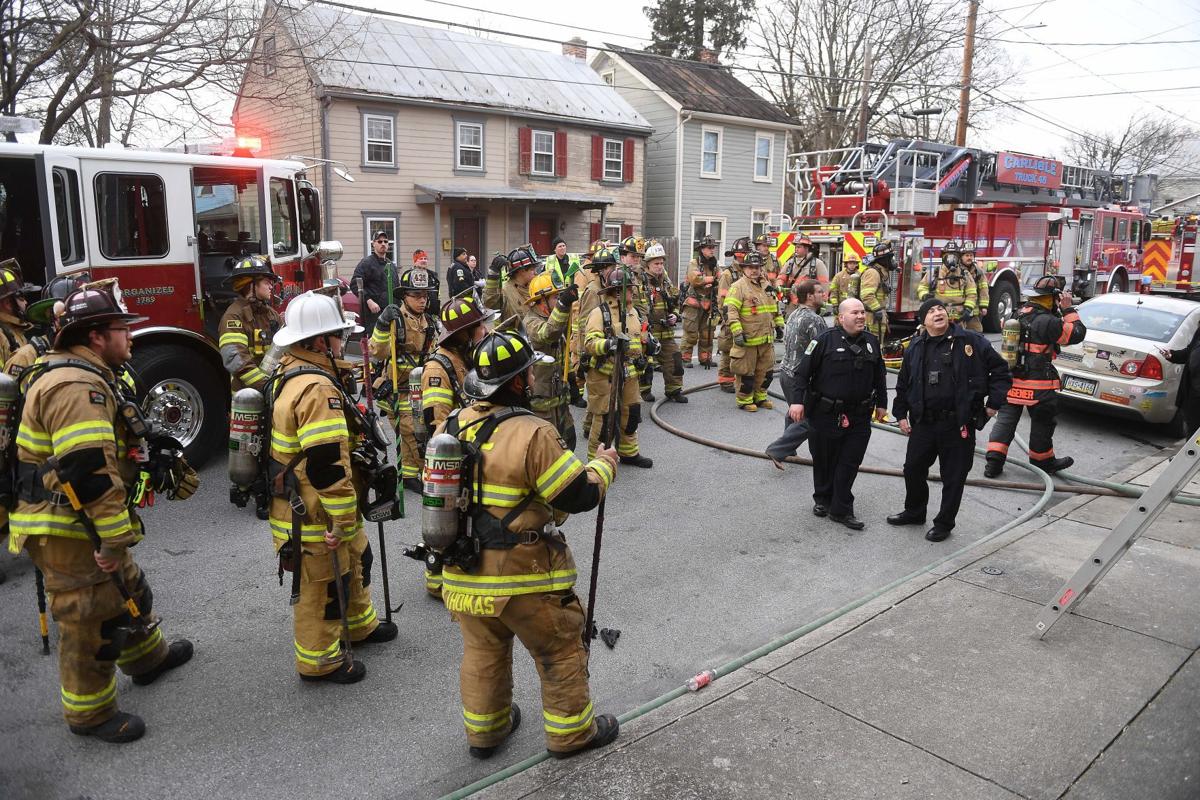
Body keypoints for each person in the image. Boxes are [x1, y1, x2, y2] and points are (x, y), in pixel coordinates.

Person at [10, 279, 197, 743]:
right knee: (88, 612)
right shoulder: (76, 386)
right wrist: (113, 540)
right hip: (65, 523)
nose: (130, 337)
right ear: (95, 335)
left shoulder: (88, 374)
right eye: (122, 328)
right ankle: (89, 713)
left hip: (79, 518)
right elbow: (89, 472)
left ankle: (146, 660)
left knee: (125, 586)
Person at [436, 328, 621, 760]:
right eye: (529, 372)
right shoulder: (533, 433)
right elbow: (577, 495)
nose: (534, 378)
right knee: (559, 650)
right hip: (522, 576)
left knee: (483, 652)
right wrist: (604, 466)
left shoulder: (453, 423)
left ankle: (486, 733)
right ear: (518, 382)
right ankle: (572, 734)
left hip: (463, 573)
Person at [266, 291, 398, 685]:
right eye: (339, 335)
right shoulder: (316, 389)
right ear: (320, 341)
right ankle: (319, 661)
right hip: (313, 508)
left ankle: (359, 624)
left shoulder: (297, 372)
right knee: (322, 582)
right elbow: (325, 465)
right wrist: (340, 518)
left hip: (321, 502)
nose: (346, 341)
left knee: (355, 558)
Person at [889, 298, 1011, 541]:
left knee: (953, 476)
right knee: (912, 469)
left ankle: (944, 523)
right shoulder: (916, 346)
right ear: (923, 321)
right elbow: (903, 384)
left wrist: (992, 406)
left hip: (957, 423)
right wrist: (900, 414)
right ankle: (914, 511)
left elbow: (1001, 372)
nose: (937, 313)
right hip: (924, 422)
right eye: (931, 311)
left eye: (940, 309)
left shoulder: (971, 341)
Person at [420, 294, 497, 596]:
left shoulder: (464, 359)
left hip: (470, 454)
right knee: (446, 519)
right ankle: (436, 582)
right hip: (450, 459)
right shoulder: (439, 369)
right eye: (479, 327)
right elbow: (437, 428)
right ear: (463, 333)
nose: (485, 331)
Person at [791, 298, 888, 530]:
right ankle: (823, 498)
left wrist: (882, 405)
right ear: (841, 317)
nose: (861, 316)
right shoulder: (823, 341)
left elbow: (880, 377)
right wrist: (796, 402)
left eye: (863, 312)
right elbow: (801, 374)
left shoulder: (872, 342)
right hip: (825, 414)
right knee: (824, 460)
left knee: (849, 462)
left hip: (860, 416)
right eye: (855, 312)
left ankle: (841, 508)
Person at [985, 276, 1085, 477]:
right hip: (1039, 386)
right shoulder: (1048, 322)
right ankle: (1042, 461)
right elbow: (1077, 333)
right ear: (1052, 298)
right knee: (1043, 421)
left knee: (1005, 421)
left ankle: (993, 463)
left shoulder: (1017, 314)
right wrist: (1068, 310)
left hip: (1012, 381)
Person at [369, 269, 438, 493]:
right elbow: (377, 352)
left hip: (421, 388)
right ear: (404, 297)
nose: (421, 300)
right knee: (415, 434)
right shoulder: (395, 320)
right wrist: (381, 325)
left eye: (425, 296)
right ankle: (427, 473)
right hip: (397, 391)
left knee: (412, 435)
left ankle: (408, 475)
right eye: (415, 296)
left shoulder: (428, 321)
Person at [584, 266, 651, 467]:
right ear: (617, 291)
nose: (631, 292)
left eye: (631, 288)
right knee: (604, 419)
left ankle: (629, 453)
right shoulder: (600, 314)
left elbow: (641, 339)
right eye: (628, 289)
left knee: (631, 414)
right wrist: (610, 344)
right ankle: (598, 460)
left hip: (630, 375)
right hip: (606, 376)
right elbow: (589, 344)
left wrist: (649, 345)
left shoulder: (634, 314)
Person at [766, 279, 829, 467]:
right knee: (813, 418)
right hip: (800, 377)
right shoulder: (814, 319)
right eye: (820, 292)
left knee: (794, 411)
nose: (824, 294)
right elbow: (823, 350)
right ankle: (777, 450)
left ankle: (789, 452)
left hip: (787, 373)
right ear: (810, 296)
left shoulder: (794, 314)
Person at [521, 270, 578, 448]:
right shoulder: (530, 322)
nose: (558, 301)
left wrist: (572, 379)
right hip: (542, 403)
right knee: (548, 447)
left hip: (559, 398)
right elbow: (548, 333)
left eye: (559, 297)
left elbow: (562, 352)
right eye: (555, 298)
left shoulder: (554, 319)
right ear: (541, 301)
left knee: (569, 440)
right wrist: (563, 305)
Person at [724, 251, 784, 412]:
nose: (754, 270)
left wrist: (779, 325)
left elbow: (775, 308)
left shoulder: (767, 286)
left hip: (766, 339)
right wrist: (737, 332)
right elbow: (731, 311)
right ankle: (744, 400)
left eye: (757, 267)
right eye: (750, 267)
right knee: (746, 373)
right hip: (748, 339)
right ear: (744, 268)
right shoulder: (738, 287)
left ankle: (760, 397)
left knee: (766, 372)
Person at [218, 255, 282, 392]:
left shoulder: (271, 315)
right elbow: (235, 359)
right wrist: (266, 386)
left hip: (273, 391)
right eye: (266, 282)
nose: (271, 286)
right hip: (248, 398)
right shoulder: (233, 317)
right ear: (251, 285)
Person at [640, 241, 686, 403]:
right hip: (649, 330)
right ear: (647, 264)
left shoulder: (665, 281)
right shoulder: (641, 281)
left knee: (674, 359)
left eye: (661, 263)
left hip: (666, 330)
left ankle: (674, 390)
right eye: (656, 263)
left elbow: (675, 300)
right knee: (645, 363)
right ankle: (644, 391)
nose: (660, 266)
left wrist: (674, 315)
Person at [715, 238, 750, 392]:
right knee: (728, 351)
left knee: (744, 352)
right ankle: (726, 381)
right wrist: (730, 322)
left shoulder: (749, 272)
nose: (743, 257)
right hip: (732, 320)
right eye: (742, 254)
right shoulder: (728, 275)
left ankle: (741, 379)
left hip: (747, 319)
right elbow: (723, 303)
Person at [917, 240, 978, 329]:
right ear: (943, 257)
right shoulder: (934, 272)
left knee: (958, 340)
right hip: (938, 315)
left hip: (958, 318)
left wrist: (968, 309)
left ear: (958, 257)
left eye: (954, 255)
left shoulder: (965, 274)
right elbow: (922, 287)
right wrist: (925, 296)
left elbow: (972, 293)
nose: (951, 258)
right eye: (948, 255)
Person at [681, 236, 719, 370]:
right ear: (702, 249)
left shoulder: (714, 264)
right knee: (691, 333)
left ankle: (705, 358)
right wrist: (711, 279)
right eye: (709, 248)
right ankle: (685, 358)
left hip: (708, 304)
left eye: (713, 248)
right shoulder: (694, 263)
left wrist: (713, 282)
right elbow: (695, 279)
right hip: (693, 304)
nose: (712, 250)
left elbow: (719, 280)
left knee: (707, 334)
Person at [351, 231, 393, 334]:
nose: (383, 244)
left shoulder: (391, 265)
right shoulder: (367, 263)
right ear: (373, 244)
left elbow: (395, 287)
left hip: (390, 315)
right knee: (375, 346)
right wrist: (369, 301)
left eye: (385, 241)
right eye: (379, 241)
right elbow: (355, 284)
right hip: (373, 316)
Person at [0, 259, 40, 366]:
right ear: (8, 303)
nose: (26, 302)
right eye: (21, 297)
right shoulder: (2, 336)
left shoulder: (13, 329)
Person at [1162, 326, 1200, 436]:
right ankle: (1193, 452)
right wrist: (1173, 355)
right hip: (1193, 392)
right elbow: (1190, 351)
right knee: (1193, 429)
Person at [484, 246, 537, 323]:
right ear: (521, 271)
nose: (536, 273)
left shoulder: (534, 288)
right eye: (532, 269)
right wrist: (493, 274)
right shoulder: (506, 291)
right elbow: (490, 304)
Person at [858, 241, 894, 341]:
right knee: (872, 344)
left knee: (878, 345)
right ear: (883, 259)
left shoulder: (881, 273)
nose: (892, 261)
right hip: (871, 318)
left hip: (877, 316)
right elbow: (866, 295)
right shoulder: (873, 273)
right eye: (890, 258)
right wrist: (877, 310)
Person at [960, 241, 988, 332]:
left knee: (977, 333)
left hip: (973, 311)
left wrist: (983, 306)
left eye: (971, 255)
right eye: (967, 255)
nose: (969, 258)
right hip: (959, 311)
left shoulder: (978, 271)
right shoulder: (956, 270)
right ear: (961, 256)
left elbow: (983, 288)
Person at [409, 249, 442, 316]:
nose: (424, 260)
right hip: (419, 313)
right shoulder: (410, 275)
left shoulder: (433, 275)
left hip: (434, 313)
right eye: (421, 258)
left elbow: (437, 294)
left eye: (425, 258)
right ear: (415, 262)